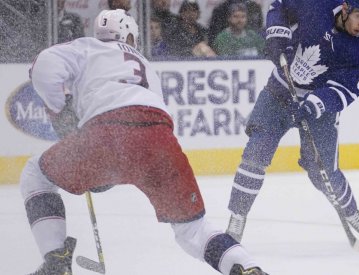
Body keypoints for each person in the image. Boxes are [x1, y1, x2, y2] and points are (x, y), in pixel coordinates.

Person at [24, 9, 267, 275]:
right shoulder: (145, 64)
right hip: (159, 139)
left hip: (106, 133)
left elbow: (42, 65)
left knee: (37, 173)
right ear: (129, 36)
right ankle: (246, 267)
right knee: (193, 229)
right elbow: (142, 128)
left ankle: (56, 260)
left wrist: (61, 109)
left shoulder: (86, 47)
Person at [225, 0, 359, 244]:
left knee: (323, 172)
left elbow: (346, 90)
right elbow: (280, 5)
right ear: (346, 8)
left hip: (318, 108)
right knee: (256, 154)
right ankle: (237, 215)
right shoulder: (317, 4)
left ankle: (350, 212)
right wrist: (277, 35)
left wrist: (315, 103)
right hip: (279, 91)